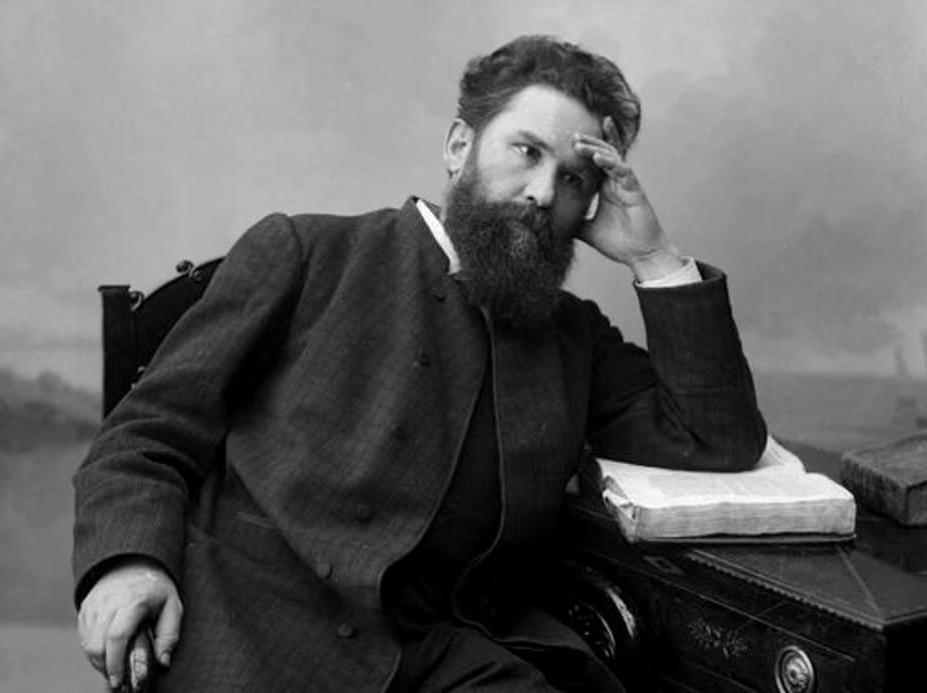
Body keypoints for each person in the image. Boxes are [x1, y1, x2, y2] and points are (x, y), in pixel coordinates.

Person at [73, 35, 766, 692]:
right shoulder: (309, 254)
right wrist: (129, 562)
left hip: (449, 656)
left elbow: (716, 438)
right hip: (254, 635)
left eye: (574, 178)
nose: (542, 193)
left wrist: (653, 256)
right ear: (460, 146)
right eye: (526, 151)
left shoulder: (574, 337)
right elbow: (148, 435)